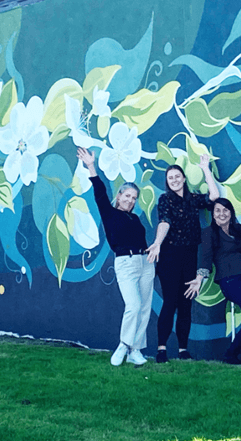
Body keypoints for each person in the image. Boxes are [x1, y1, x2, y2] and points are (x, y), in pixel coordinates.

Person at [77, 147, 155, 367]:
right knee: (133, 304)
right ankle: (123, 344)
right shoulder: (109, 213)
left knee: (144, 307)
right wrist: (91, 166)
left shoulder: (135, 220)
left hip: (145, 263)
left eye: (134, 198)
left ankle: (135, 350)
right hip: (125, 263)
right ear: (119, 196)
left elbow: (142, 242)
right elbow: (99, 191)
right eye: (127, 196)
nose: (131, 200)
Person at [185, 185, 241, 365]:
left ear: (230, 213)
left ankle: (231, 354)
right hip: (229, 280)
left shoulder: (236, 230)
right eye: (217, 211)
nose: (221, 214)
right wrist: (199, 279)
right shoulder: (209, 233)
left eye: (225, 210)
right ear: (213, 214)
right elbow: (206, 259)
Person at [146, 155, 219, 363]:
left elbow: (213, 196)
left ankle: (183, 350)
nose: (174, 180)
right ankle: (161, 349)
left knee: (186, 303)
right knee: (170, 302)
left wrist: (205, 168)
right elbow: (165, 222)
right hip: (169, 256)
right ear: (167, 182)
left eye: (177, 176)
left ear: (184, 178)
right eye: (170, 178)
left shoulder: (193, 199)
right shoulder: (165, 200)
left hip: (189, 255)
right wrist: (158, 242)